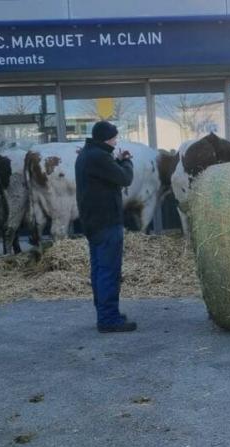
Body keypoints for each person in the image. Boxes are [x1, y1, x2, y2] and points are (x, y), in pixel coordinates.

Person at [75, 121, 137, 333]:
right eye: (113, 138)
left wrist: (116, 160)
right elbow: (124, 179)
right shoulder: (98, 157)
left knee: (100, 270)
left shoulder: (87, 154)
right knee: (109, 272)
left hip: (93, 222)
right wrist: (127, 162)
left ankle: (105, 314)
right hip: (106, 222)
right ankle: (109, 319)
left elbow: (106, 175)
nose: (115, 141)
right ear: (105, 139)